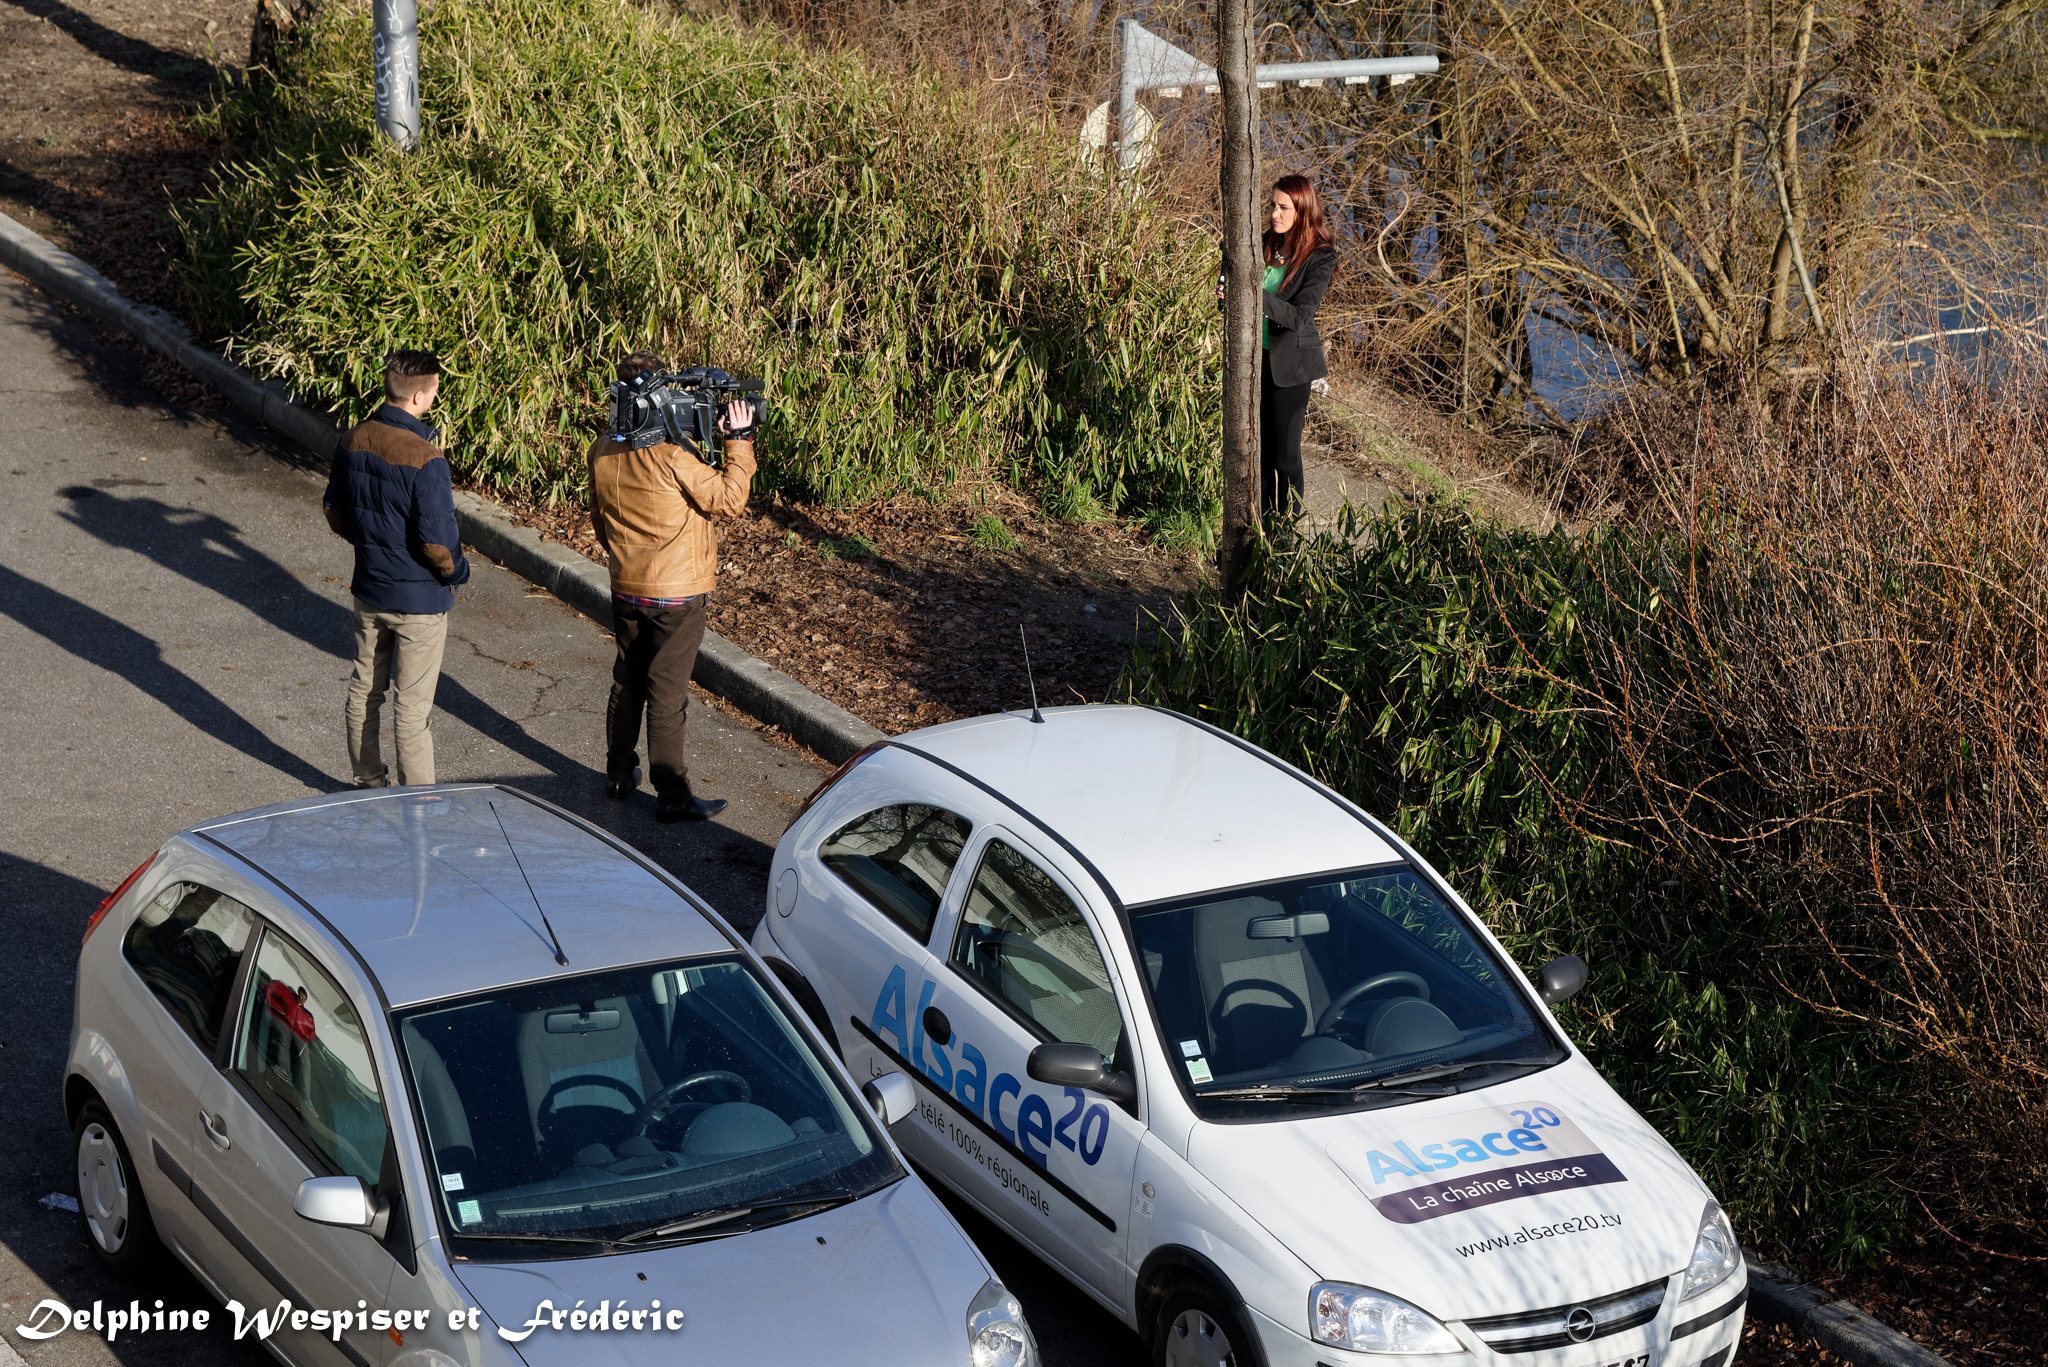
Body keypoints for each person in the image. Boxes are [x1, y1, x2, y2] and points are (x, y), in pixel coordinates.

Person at [588, 352, 757, 822]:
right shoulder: (671, 455)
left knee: (628, 681)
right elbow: (728, 501)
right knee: (667, 693)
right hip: (677, 594)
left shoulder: (602, 447)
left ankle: (619, 774)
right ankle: (673, 796)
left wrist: (623, 559)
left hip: (627, 584)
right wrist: (738, 443)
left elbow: (599, 517)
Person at [323, 349, 471, 787]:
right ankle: (418, 803)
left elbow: (334, 508)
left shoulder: (353, 439)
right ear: (420, 397)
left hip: (370, 588)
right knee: (411, 708)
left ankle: (368, 781)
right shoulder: (427, 459)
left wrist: (367, 542)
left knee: (364, 689)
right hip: (419, 601)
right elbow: (438, 543)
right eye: (436, 391)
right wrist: (457, 574)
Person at [1258, 174, 1339, 516]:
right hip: (1252, 360)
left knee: (1284, 455)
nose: (1274, 213)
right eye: (1272, 205)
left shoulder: (1320, 257)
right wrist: (1226, 294)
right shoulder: (1263, 243)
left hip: (1290, 368)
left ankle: (1287, 534)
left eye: (1283, 207)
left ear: (1302, 210)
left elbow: (1299, 316)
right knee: (1257, 451)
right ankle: (1258, 534)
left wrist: (1250, 293)